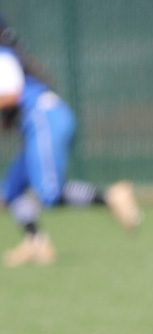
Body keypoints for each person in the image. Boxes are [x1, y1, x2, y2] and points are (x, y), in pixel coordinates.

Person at [0, 14, 141, 266]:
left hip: (44, 119)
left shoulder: (4, 55)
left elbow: (11, 95)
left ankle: (110, 197)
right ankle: (36, 241)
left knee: (49, 193)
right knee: (12, 189)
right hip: (41, 121)